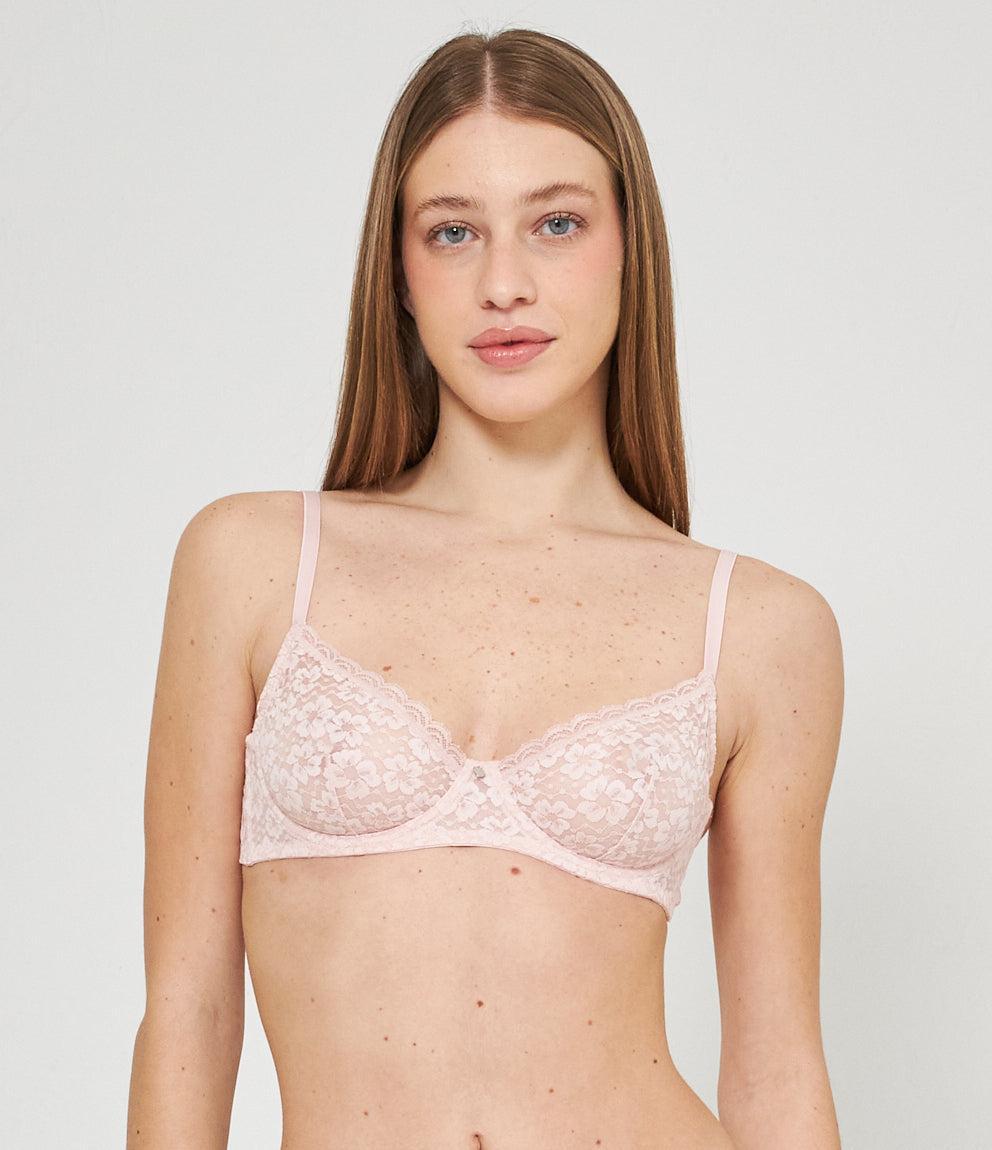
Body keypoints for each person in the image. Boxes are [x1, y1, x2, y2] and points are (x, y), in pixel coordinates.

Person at [126, 26, 844, 1150]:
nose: (504, 283)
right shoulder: (253, 564)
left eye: (557, 223)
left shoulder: (757, 629)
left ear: (629, 250)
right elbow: (188, 1011)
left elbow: (776, 1070)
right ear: (399, 274)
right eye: (453, 231)